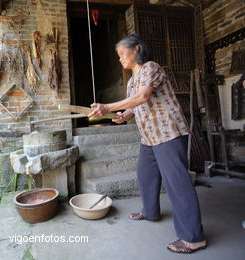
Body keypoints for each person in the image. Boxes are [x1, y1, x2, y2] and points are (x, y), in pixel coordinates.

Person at [88, 34, 207, 254]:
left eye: (123, 53)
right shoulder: (132, 81)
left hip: (168, 133)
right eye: (119, 55)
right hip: (150, 137)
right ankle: (150, 211)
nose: (120, 59)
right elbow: (135, 106)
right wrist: (123, 115)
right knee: (145, 174)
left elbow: (143, 97)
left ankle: (193, 238)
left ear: (136, 50)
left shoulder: (151, 67)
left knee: (177, 184)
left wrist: (107, 106)